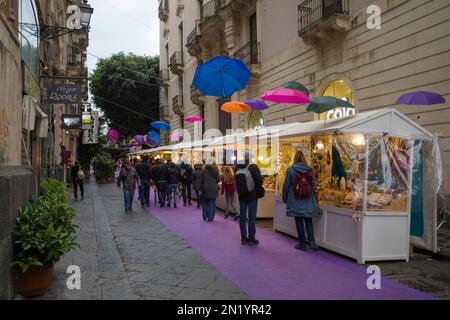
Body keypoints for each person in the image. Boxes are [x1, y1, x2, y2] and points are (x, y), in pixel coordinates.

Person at [282, 150, 320, 251]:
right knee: (308, 220)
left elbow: (286, 186)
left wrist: (284, 198)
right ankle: (312, 243)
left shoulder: (290, 170)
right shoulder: (309, 170)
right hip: (308, 200)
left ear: (294, 158)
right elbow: (314, 187)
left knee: (299, 221)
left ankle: (302, 243)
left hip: (295, 199)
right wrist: (316, 199)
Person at [235, 153, 263, 245]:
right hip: (252, 195)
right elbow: (259, 181)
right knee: (251, 217)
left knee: (242, 217)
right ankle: (251, 238)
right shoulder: (253, 167)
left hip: (241, 196)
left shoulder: (237, 167)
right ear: (251, 158)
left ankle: (243, 238)